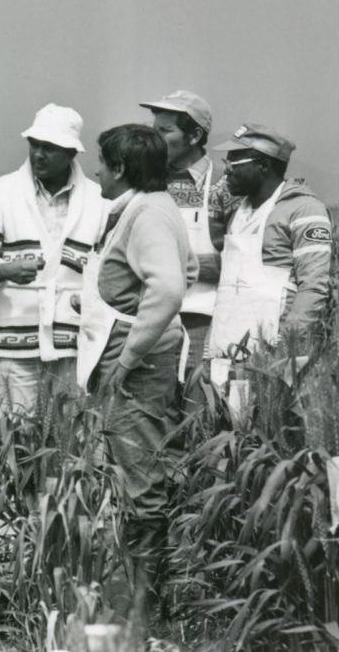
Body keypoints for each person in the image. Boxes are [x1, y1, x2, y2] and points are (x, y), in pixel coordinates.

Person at [79, 124, 197, 512]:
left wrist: (129, 355)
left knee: (137, 476)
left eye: (100, 163)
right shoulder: (154, 207)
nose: (95, 171)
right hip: (139, 352)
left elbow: (168, 289)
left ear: (119, 167)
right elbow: (188, 270)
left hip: (138, 364)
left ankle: (144, 572)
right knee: (128, 466)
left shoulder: (146, 213)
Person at [0, 104, 107, 416]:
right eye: (34, 145)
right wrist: (1, 269)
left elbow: (106, 267)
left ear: (71, 152)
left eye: (50, 148)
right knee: (13, 435)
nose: (39, 154)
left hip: (74, 339)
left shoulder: (97, 199)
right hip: (15, 338)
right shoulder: (3, 191)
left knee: (71, 435)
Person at [205, 125, 332, 362]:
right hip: (226, 347)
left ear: (264, 165)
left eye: (234, 164)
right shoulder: (238, 212)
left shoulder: (304, 210)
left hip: (271, 354)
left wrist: (285, 347)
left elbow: (312, 288)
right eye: (226, 162)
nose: (226, 172)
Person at [140, 90, 240, 380]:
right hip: (150, 321)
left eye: (165, 131)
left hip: (202, 321)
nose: (155, 140)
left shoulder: (226, 183)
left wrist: (205, 266)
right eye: (153, 130)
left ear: (195, 136)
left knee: (198, 407)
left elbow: (248, 258)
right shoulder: (145, 180)